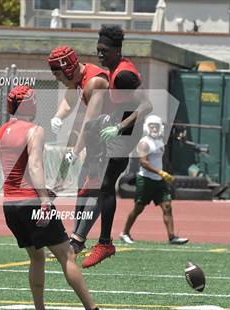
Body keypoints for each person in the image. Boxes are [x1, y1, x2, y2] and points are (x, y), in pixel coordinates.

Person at [0, 85, 99, 310]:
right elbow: (33, 165)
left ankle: (39, 308)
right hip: (31, 201)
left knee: (36, 258)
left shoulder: (2, 131)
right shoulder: (34, 130)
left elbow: (16, 169)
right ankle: (92, 309)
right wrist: (43, 198)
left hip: (10, 204)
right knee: (67, 255)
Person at [81, 25, 152, 268]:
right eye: (98, 50)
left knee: (106, 185)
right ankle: (92, 175)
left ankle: (105, 243)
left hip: (128, 132)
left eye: (105, 50)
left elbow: (146, 106)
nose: (100, 54)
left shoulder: (123, 75)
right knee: (91, 128)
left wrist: (119, 128)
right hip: (120, 123)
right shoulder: (113, 69)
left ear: (117, 50)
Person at [48, 45, 109, 254]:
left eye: (57, 73)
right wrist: (58, 116)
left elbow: (90, 122)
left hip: (114, 136)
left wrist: (75, 151)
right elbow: (69, 100)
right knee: (84, 186)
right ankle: (75, 238)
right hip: (99, 134)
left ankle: (78, 240)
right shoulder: (78, 78)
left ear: (67, 69)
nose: (56, 78)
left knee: (96, 187)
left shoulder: (95, 82)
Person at [119, 115, 189, 245]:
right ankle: (125, 233)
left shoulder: (160, 142)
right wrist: (161, 172)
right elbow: (144, 163)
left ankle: (172, 237)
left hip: (159, 180)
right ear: (147, 127)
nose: (154, 128)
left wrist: (166, 173)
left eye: (156, 126)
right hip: (145, 180)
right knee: (138, 209)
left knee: (167, 206)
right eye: (151, 125)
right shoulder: (144, 143)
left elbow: (161, 161)